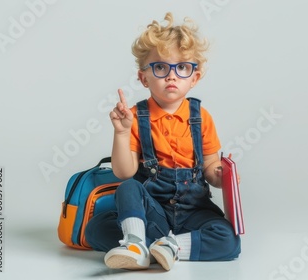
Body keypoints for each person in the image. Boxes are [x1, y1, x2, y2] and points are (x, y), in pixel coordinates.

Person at [84, 12, 241, 271]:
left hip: (193, 210)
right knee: (103, 219)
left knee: (229, 241)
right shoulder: (135, 116)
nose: (171, 76)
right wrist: (122, 133)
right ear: (144, 77)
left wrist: (222, 174)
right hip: (152, 211)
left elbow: (210, 169)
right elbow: (125, 173)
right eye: (160, 67)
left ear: (195, 78)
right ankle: (136, 244)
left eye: (182, 67)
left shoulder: (201, 117)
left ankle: (169, 246)